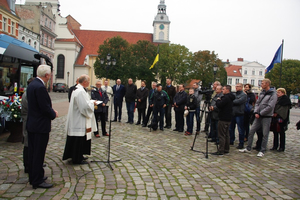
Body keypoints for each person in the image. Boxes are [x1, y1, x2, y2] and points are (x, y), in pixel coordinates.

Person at [26, 65, 58, 189]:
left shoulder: (32, 84)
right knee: (38, 153)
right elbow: (44, 107)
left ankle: (36, 175)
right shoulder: (40, 87)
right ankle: (37, 180)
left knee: (34, 152)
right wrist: (53, 113)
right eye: (49, 74)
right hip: (40, 125)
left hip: (33, 124)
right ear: (47, 75)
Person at [62, 75, 97, 164]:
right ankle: (77, 158)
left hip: (77, 119)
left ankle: (78, 155)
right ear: (84, 82)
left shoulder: (78, 90)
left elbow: (84, 103)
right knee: (78, 139)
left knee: (78, 139)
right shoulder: (80, 91)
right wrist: (93, 104)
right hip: (79, 120)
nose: (89, 83)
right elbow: (84, 107)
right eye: (88, 81)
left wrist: (90, 102)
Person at [239, 79, 277, 157]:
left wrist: (261, 113)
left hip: (266, 116)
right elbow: (257, 103)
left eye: (262, 83)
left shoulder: (273, 94)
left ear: (267, 84)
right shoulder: (262, 93)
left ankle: (262, 150)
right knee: (251, 131)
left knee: (265, 134)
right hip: (258, 116)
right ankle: (248, 147)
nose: (261, 84)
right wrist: (256, 112)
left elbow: (270, 106)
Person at [213, 85, 235, 155]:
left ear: (227, 90)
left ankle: (221, 149)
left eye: (224, 89)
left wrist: (218, 100)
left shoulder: (226, 98)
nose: (222, 90)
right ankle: (226, 149)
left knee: (222, 134)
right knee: (226, 134)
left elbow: (219, 105)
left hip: (223, 117)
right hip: (228, 118)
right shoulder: (231, 97)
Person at [21, 77, 35, 174]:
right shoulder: (27, 95)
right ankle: (27, 164)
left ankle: (32, 162)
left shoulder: (28, 93)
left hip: (29, 119)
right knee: (27, 143)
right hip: (28, 120)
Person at [229, 83, 247, 149]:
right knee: (231, 128)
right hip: (233, 113)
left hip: (239, 114)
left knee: (240, 129)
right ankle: (231, 140)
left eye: (238, 86)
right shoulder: (234, 94)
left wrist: (232, 101)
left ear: (241, 87)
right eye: (236, 86)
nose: (236, 87)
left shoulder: (243, 95)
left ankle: (241, 143)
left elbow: (238, 102)